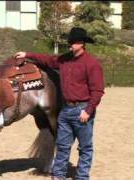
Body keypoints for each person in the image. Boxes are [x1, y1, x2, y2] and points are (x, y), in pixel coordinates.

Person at [14, 27, 105, 180]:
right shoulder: (64, 60)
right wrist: (27, 54)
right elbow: (47, 60)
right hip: (65, 110)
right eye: (69, 41)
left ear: (82, 43)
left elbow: (98, 91)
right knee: (62, 146)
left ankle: (82, 177)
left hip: (82, 110)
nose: (69, 44)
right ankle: (58, 175)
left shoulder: (91, 64)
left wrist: (88, 111)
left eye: (73, 42)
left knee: (85, 148)